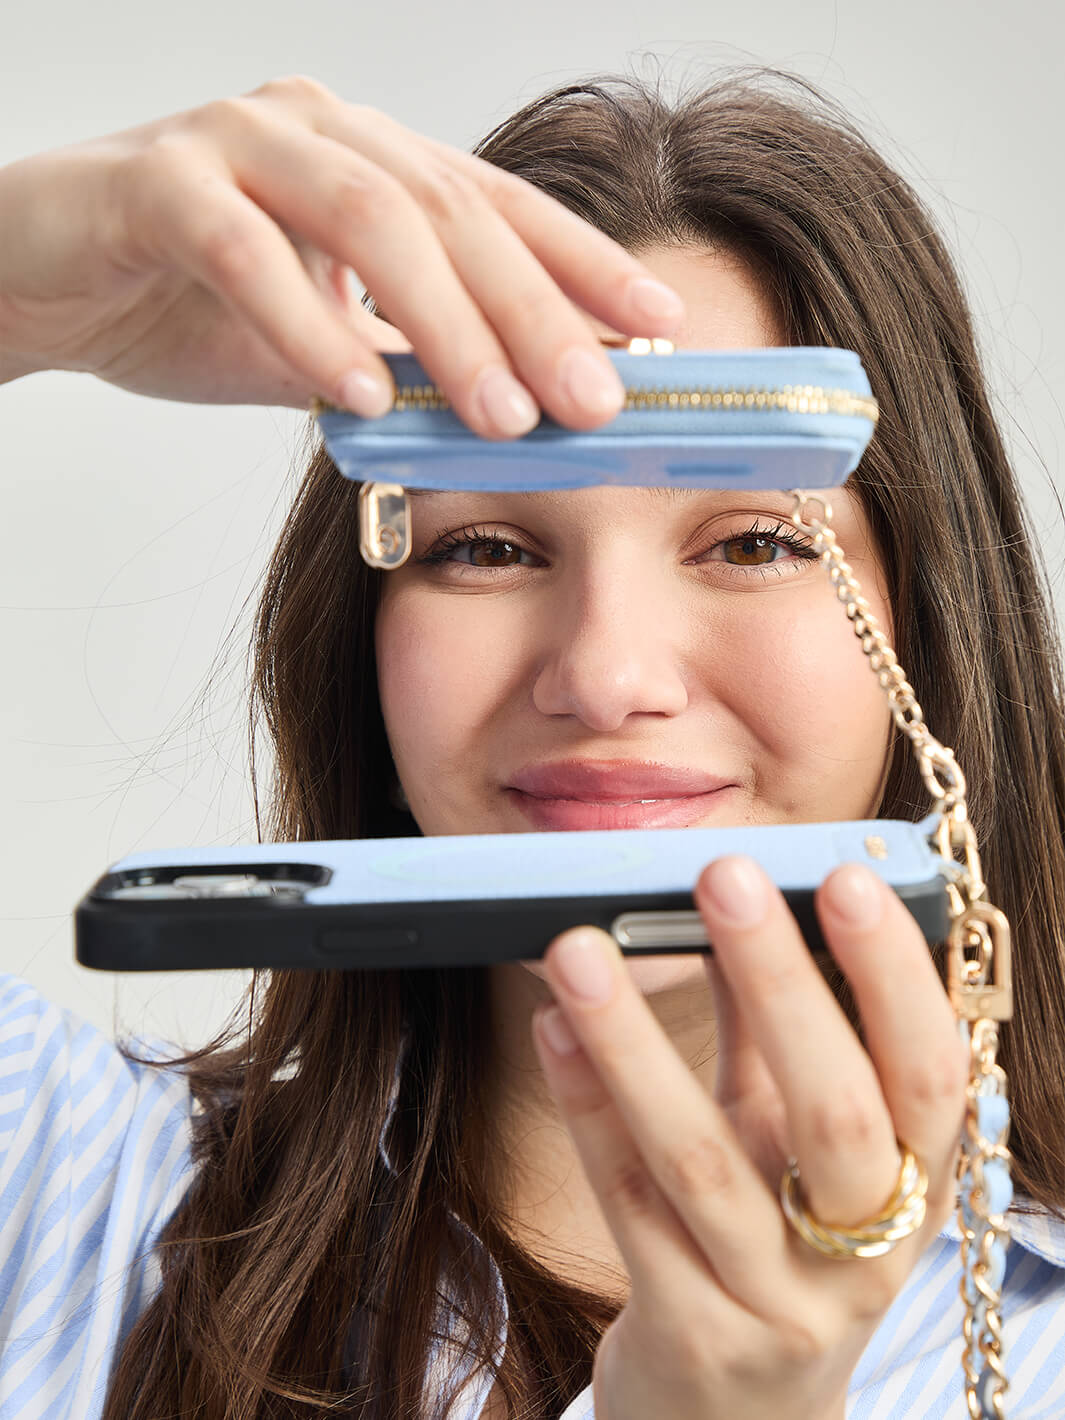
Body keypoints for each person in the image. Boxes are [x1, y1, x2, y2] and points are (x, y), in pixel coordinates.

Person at [1, 68, 1063, 1420]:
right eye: (489, 547)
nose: (605, 677)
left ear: (927, 615)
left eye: (753, 543)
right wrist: (15, 288)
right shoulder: (62, 1185)